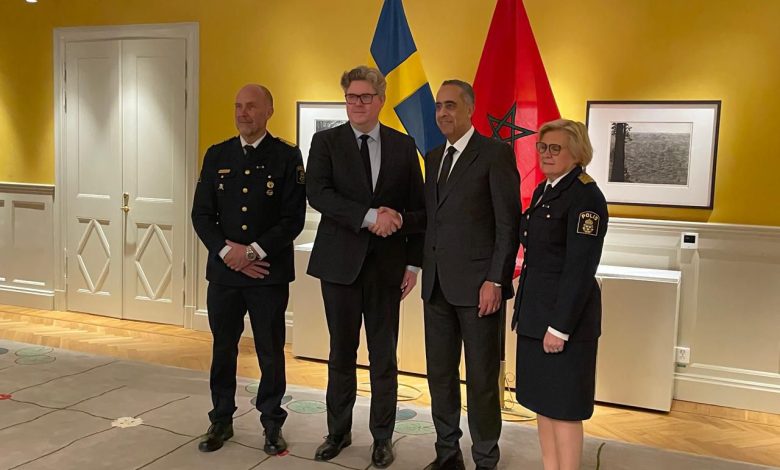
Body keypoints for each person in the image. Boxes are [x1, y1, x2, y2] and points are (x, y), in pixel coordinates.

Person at [306, 65, 425, 468]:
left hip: (387, 269)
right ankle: (337, 432)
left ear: (381, 100)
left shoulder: (403, 146)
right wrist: (370, 216)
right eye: (351, 97)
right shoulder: (326, 142)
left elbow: (420, 210)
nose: (357, 103)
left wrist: (413, 263)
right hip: (339, 266)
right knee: (341, 354)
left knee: (383, 357)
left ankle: (382, 438)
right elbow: (318, 194)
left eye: (365, 97)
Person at [191, 84, 306, 455]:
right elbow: (201, 214)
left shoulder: (286, 156)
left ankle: (272, 423)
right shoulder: (217, 154)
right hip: (224, 273)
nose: (243, 113)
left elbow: (293, 218)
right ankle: (220, 419)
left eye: (252, 106)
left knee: (270, 351)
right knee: (223, 348)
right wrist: (229, 253)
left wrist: (252, 253)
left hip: (267, 273)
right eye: (238, 106)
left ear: (269, 110)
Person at [421, 80, 521, 470]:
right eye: (438, 106)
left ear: (469, 109)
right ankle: (447, 453)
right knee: (439, 377)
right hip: (436, 288)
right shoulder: (433, 157)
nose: (442, 113)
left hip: (480, 290)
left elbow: (508, 225)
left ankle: (485, 458)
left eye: (450, 105)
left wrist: (495, 280)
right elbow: (434, 221)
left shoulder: (495, 154)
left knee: (481, 381)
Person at [511, 119, 608, 470]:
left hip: (564, 321)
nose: (546, 154)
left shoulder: (586, 197)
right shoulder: (544, 190)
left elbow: (580, 268)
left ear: (577, 153)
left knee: (564, 407)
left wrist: (560, 327)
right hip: (536, 313)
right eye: (542, 147)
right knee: (543, 401)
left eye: (556, 148)